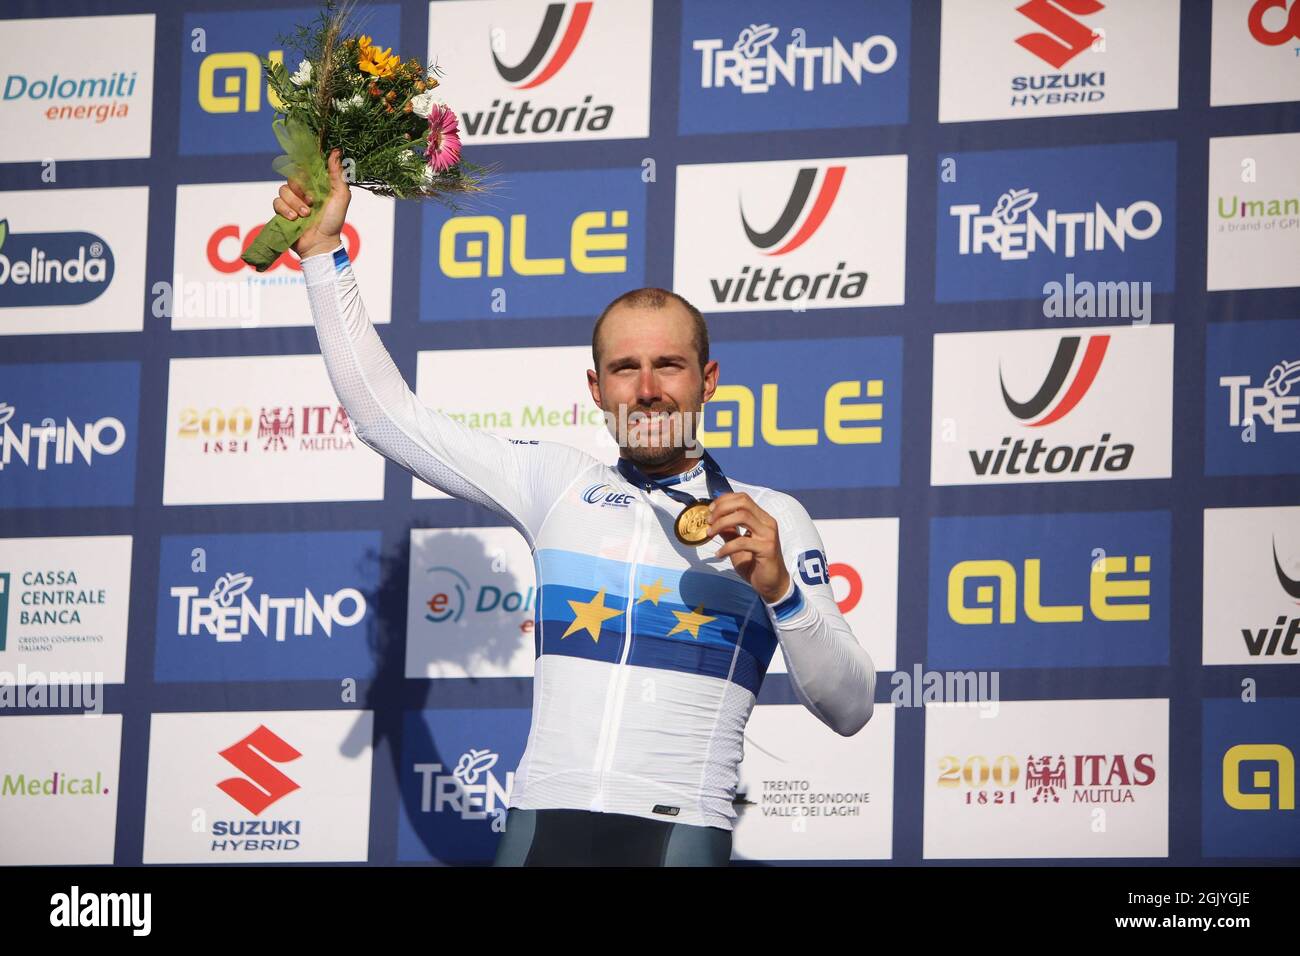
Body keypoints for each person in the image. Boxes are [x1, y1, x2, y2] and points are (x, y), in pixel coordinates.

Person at [275, 149, 876, 866]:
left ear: (707, 379)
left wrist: (782, 593)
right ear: (596, 387)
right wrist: (322, 252)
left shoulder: (768, 518)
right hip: (541, 828)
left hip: (679, 832)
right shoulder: (556, 482)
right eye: (626, 368)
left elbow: (851, 708)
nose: (647, 389)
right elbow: (383, 417)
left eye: (669, 366)